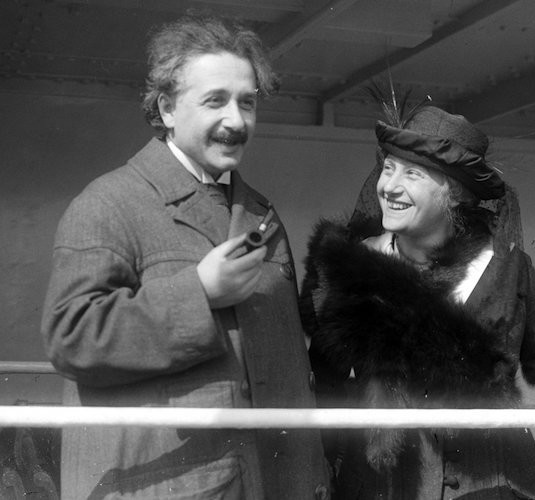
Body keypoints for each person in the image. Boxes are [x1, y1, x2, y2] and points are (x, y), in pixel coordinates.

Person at [299, 102, 535, 499]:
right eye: (389, 167)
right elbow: (322, 383)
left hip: (496, 484)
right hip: (386, 486)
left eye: (412, 174)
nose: (390, 186)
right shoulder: (351, 267)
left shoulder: (505, 269)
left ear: (455, 194)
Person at [41, 15, 329, 500]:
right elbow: (71, 338)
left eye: (247, 102)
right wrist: (199, 293)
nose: (236, 121)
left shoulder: (261, 213)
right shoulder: (109, 203)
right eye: (215, 101)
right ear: (167, 108)